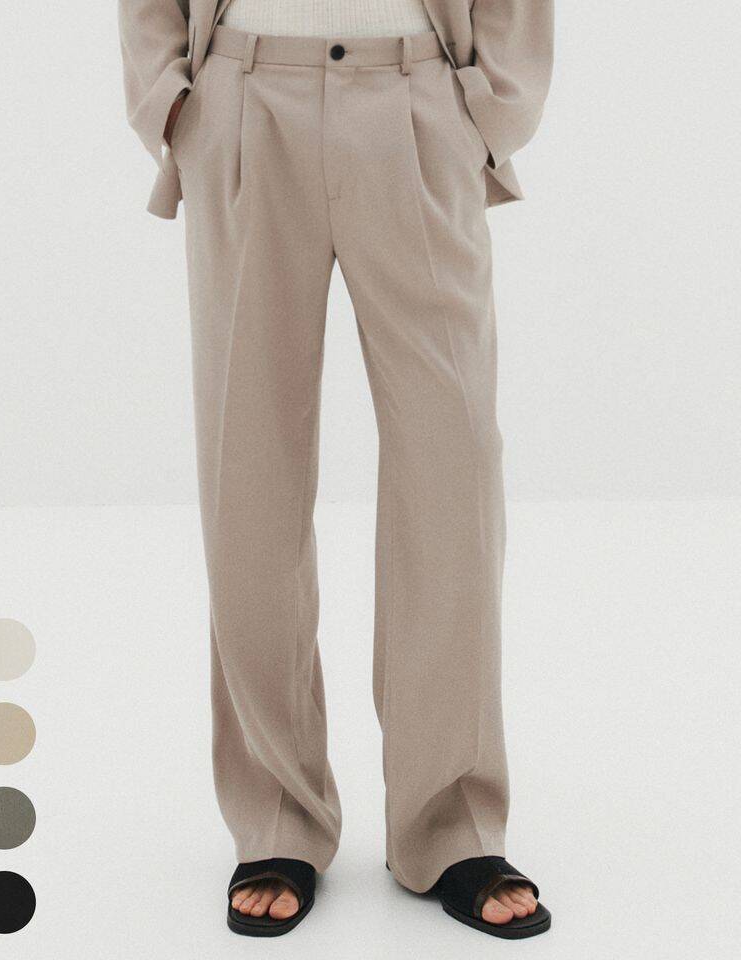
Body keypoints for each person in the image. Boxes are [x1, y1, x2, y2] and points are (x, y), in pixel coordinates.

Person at [119, 0, 554, 940]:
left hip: (418, 98)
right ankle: (276, 814)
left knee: (454, 471)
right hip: (242, 99)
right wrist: (171, 101)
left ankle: (451, 820)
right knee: (249, 475)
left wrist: (489, 107)